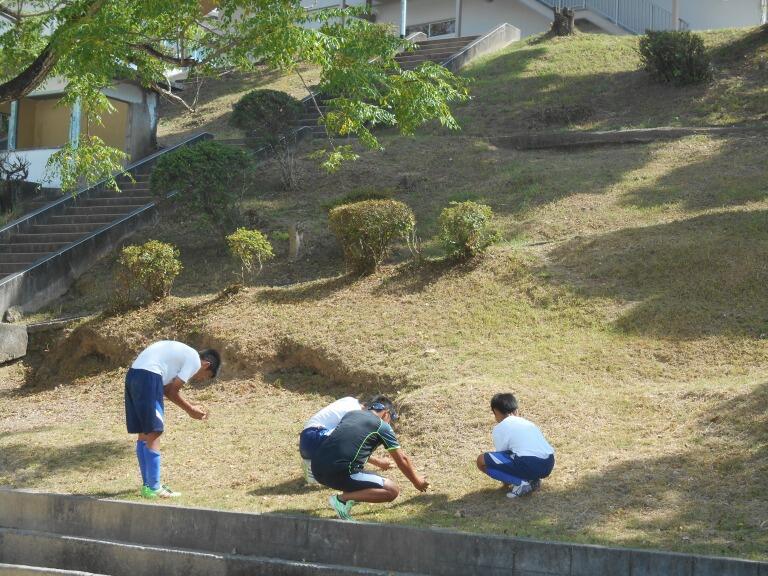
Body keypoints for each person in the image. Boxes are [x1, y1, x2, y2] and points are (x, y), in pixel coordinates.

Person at [125, 340, 221, 499]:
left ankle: (148, 486)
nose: (200, 379)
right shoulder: (194, 360)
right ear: (206, 364)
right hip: (149, 376)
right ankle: (154, 487)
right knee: (154, 431)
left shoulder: (182, 356)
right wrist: (191, 410)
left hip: (133, 375)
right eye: (206, 376)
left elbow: (166, 389)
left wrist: (190, 406)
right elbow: (171, 392)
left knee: (144, 433)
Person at [311, 395, 429, 520]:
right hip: (338, 473)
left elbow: (347, 447)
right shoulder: (381, 426)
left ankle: (347, 497)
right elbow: (402, 459)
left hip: (316, 470)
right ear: (386, 414)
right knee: (392, 490)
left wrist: (378, 462)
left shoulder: (351, 415)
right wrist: (418, 482)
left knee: (368, 475)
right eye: (391, 420)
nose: (390, 424)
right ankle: (342, 500)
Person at [476, 392, 555, 498]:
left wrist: (506, 481)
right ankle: (533, 480)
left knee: (481, 460)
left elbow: (501, 458)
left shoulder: (500, 428)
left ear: (496, 412)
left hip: (529, 463)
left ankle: (520, 482)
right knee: (516, 455)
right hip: (549, 463)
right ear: (516, 410)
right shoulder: (528, 423)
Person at [299, 396, 364, 485]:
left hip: (306, 440)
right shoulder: (357, 414)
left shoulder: (349, 400)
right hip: (317, 437)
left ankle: (312, 463)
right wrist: (378, 462)